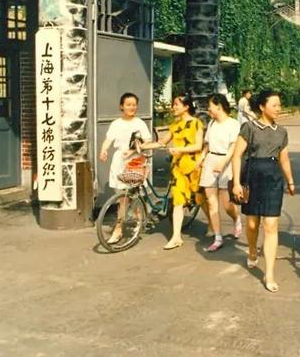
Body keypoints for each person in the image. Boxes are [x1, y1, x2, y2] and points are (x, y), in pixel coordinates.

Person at [232, 90, 295, 293]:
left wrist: (290, 181)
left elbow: (284, 158)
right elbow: (236, 156)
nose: (279, 108)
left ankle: (269, 273)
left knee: (270, 225)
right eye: (274, 105)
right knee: (252, 224)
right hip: (252, 177)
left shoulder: (282, 132)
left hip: (273, 179)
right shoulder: (249, 127)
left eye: (279, 105)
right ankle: (252, 251)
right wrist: (235, 183)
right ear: (262, 106)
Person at [99, 92, 152, 244]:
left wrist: (134, 150)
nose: (132, 107)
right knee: (122, 197)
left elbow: (147, 142)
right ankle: (119, 229)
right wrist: (103, 150)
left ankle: (137, 221)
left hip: (135, 161)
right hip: (120, 161)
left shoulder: (140, 123)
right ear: (121, 106)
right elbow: (108, 140)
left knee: (134, 195)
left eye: (134, 105)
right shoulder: (116, 123)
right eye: (128, 105)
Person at [159, 94, 205, 250]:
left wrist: (179, 149)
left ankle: (215, 226)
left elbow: (198, 146)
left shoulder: (196, 123)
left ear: (186, 106)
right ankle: (176, 237)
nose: (174, 107)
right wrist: (141, 147)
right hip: (178, 169)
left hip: (194, 167)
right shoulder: (175, 125)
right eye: (173, 104)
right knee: (178, 201)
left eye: (176, 104)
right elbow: (162, 142)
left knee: (201, 198)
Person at [198, 93, 243, 252]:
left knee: (227, 204)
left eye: (210, 105)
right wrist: (202, 158)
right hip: (211, 161)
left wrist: (223, 162)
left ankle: (236, 218)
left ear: (219, 106)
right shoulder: (211, 124)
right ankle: (218, 237)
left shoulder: (233, 124)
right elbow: (207, 144)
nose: (208, 109)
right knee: (211, 202)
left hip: (227, 163)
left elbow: (233, 147)